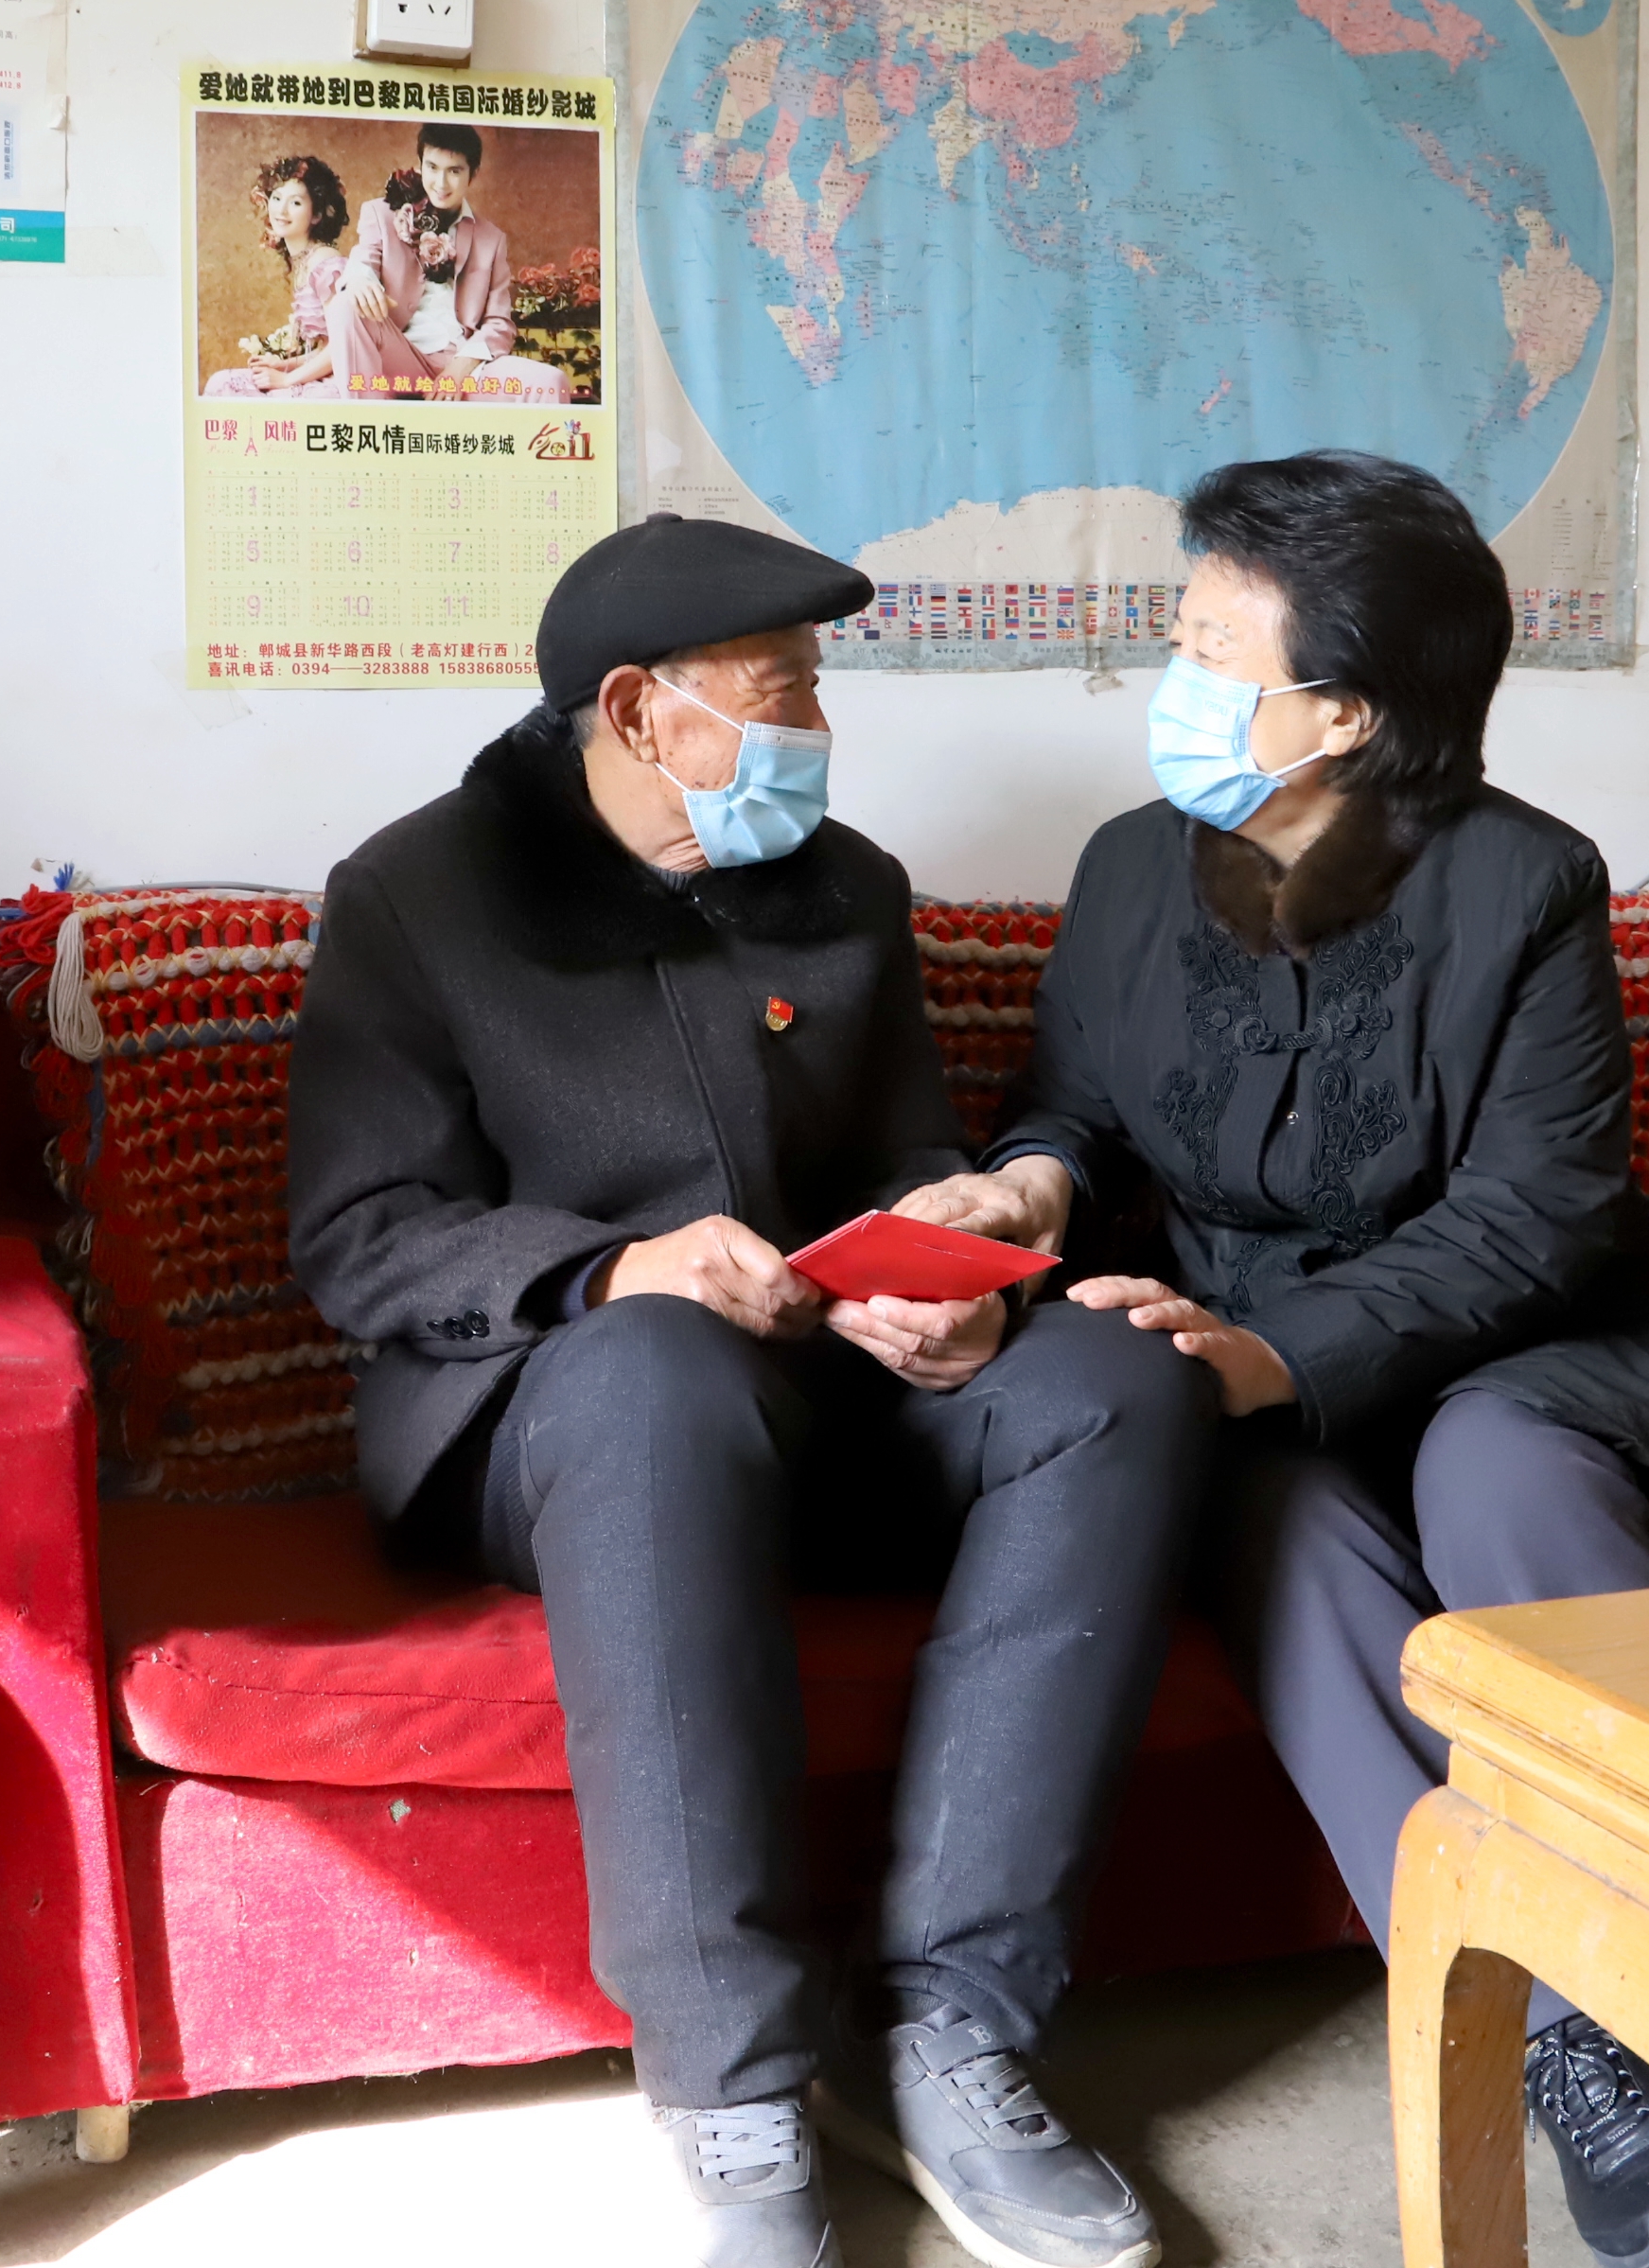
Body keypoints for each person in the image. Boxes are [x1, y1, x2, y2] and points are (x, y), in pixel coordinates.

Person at [968, 450, 1649, 2268]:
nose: (1170, 674)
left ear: (1348, 710)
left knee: (1500, 1474)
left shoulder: (1527, 882)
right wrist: (1032, 1183)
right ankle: (1576, 2040)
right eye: (1180, 628)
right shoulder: (1126, 871)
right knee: (1271, 1528)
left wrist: (1279, 1353)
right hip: (1248, 1372)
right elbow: (1071, 1104)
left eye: (1210, 645)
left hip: (1532, 1342)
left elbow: (1538, 1215)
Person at [289, 514, 1211, 2268]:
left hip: (827, 1392)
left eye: (815, 687)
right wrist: (612, 1269)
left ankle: (952, 2022)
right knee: (652, 1371)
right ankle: (734, 2082)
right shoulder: (417, 894)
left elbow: (909, 1152)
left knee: (1117, 1380)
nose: (819, 726)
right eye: (782, 691)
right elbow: (362, 1236)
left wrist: (951, 1275)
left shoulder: (846, 886)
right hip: (565, 1413)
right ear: (642, 710)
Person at [327, 119, 571, 405]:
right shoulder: (382, 214)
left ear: (472, 174)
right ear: (420, 165)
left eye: (454, 171)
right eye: (432, 167)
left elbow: (499, 323)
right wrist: (359, 278)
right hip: (400, 356)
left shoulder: (491, 239)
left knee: (550, 383)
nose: (441, 183)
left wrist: (460, 368)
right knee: (344, 303)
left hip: (465, 364)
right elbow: (363, 259)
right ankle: (369, 426)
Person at [202, 152, 353, 397]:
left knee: (248, 392)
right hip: (325, 373)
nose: (281, 210)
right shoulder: (304, 259)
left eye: (295, 203)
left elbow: (345, 344)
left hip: (342, 383)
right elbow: (326, 348)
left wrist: (286, 378)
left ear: (316, 215)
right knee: (221, 383)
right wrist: (284, 364)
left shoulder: (324, 261)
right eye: (277, 198)